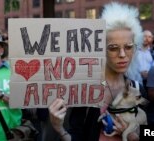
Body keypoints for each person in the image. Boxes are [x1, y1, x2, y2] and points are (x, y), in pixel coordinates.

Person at [48, 2, 145, 141]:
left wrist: (130, 135)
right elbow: (76, 136)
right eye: (113, 48)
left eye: (128, 47)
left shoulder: (138, 89)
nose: (123, 54)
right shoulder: (86, 90)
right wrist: (59, 128)